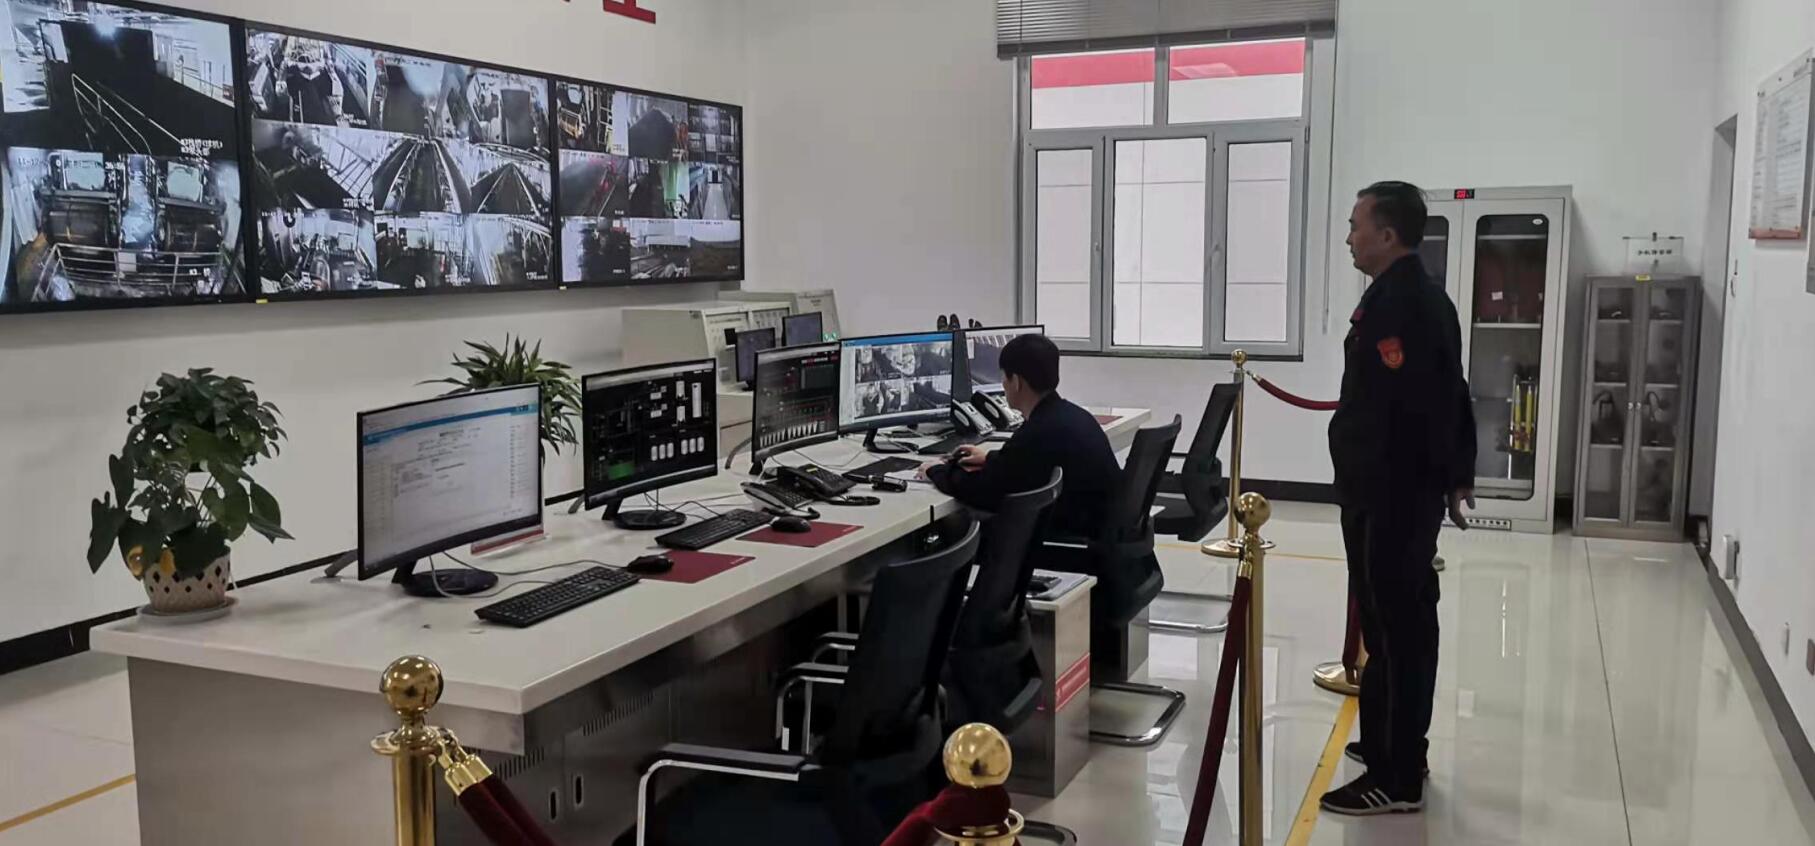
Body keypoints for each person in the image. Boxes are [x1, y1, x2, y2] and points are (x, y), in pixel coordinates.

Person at [1320, 181, 1476, 817]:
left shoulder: (1406, 303)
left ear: (1387, 235)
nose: (1349, 237)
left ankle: (1397, 775)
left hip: (1391, 493)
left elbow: (1428, 403)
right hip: (1386, 489)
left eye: (1356, 225)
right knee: (1395, 627)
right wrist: (1456, 474)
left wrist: (1447, 477)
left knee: (1395, 630)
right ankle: (1394, 743)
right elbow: (1448, 392)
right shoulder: (1402, 294)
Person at [922, 334, 1118, 537]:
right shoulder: (1071, 415)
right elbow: (1021, 466)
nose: (1003, 385)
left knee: (954, 524)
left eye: (1004, 377)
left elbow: (982, 491)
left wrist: (935, 470)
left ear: (1016, 382)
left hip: (1069, 535)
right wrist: (989, 458)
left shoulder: (1037, 433)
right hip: (1100, 529)